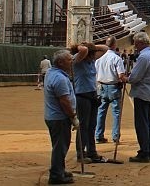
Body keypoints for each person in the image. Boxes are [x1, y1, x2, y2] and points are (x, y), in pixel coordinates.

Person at [44, 49, 78, 185]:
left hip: (53, 116)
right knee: (60, 147)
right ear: (60, 62)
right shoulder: (59, 79)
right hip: (59, 118)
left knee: (59, 145)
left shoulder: (51, 73)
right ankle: (57, 175)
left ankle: (59, 170)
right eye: (69, 60)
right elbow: (64, 101)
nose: (72, 62)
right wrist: (73, 117)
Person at [71, 41, 108, 163]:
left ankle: (92, 151)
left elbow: (105, 48)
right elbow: (83, 51)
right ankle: (80, 153)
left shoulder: (90, 60)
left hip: (92, 95)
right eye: (92, 54)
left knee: (92, 125)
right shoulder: (78, 60)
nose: (94, 56)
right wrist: (84, 47)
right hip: (82, 95)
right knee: (83, 126)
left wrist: (92, 46)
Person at [128, 31, 150, 162]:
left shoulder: (144, 57)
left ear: (141, 43)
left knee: (141, 123)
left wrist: (126, 78)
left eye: (136, 43)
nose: (135, 46)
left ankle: (144, 152)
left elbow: (135, 77)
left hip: (142, 92)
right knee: (148, 122)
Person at [95, 36, 127, 145]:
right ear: (114, 45)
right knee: (116, 113)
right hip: (113, 87)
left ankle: (98, 136)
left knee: (101, 112)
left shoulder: (99, 59)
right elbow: (121, 75)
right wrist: (124, 80)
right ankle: (115, 136)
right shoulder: (116, 58)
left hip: (101, 86)